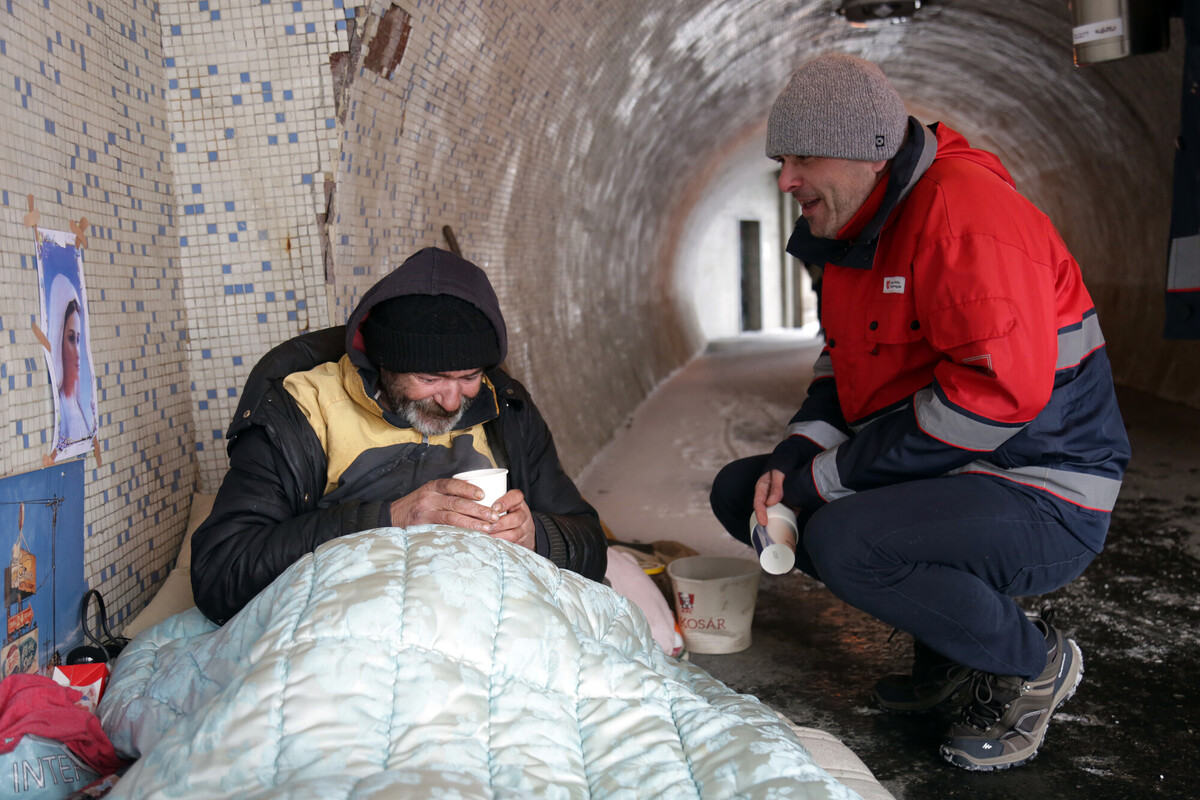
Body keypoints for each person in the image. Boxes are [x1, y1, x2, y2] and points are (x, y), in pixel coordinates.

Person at [709, 54, 1130, 771]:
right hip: (968, 474)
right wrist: (790, 460)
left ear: (870, 153)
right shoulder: (854, 231)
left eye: (803, 157)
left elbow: (994, 401)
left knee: (848, 539)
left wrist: (823, 480)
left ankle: (1032, 664)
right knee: (739, 490)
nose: (786, 179)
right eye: (783, 159)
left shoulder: (965, 222)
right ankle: (957, 648)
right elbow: (842, 368)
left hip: (1047, 488)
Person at [191, 246, 607, 625]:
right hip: (347, 621)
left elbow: (591, 543)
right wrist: (388, 521)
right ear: (383, 362)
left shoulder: (505, 409)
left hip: (485, 619)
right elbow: (222, 572)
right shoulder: (302, 411)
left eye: (470, 377)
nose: (450, 400)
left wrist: (538, 536)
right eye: (429, 378)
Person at [48, 274, 94, 447]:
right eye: (70, 338)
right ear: (59, 339)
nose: (77, 352)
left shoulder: (77, 408)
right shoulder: (61, 408)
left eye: (78, 340)